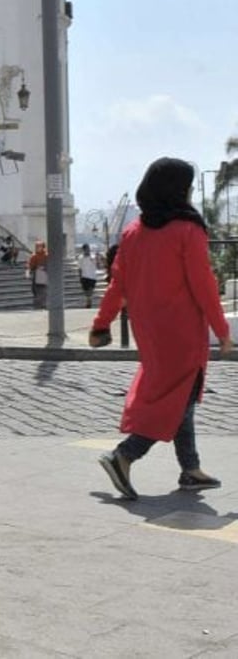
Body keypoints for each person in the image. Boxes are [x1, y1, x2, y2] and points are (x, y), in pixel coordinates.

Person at [92, 158, 232, 500]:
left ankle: (190, 469)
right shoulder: (188, 230)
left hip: (150, 333)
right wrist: (222, 330)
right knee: (177, 401)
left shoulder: (133, 232)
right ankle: (124, 455)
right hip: (182, 332)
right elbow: (204, 285)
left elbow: (117, 286)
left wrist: (101, 325)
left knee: (177, 396)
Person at [27, 240, 49, 309]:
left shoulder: (46, 255)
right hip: (36, 274)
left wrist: (44, 267)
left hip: (43, 274)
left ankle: (42, 305)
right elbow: (29, 265)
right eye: (37, 247)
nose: (38, 248)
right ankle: (38, 305)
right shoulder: (34, 256)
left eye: (39, 247)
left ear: (43, 247)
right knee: (35, 290)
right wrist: (28, 272)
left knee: (42, 291)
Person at [77, 243, 99, 308]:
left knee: (90, 290)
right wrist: (80, 277)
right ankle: (88, 300)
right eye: (85, 249)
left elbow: (98, 265)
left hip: (92, 277)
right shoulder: (80, 258)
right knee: (86, 291)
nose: (87, 250)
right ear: (83, 250)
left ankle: (89, 303)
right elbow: (79, 268)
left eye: (88, 249)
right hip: (84, 276)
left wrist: (97, 260)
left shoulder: (93, 256)